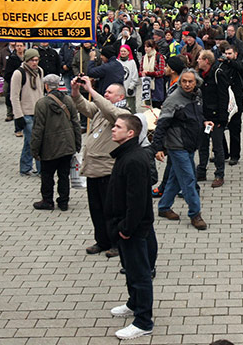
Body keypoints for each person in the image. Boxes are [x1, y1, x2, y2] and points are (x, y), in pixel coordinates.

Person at [107, 115, 156, 340]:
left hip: (134, 229)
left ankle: (143, 321)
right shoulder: (125, 155)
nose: (113, 129)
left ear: (131, 133)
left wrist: (126, 228)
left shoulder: (134, 160)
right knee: (130, 270)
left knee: (140, 274)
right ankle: (133, 303)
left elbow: (137, 201)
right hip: (125, 226)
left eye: (118, 127)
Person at [72, 76, 131, 258]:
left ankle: (115, 242)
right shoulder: (100, 110)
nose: (105, 94)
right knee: (96, 209)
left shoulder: (123, 114)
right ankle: (102, 240)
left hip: (108, 170)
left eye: (109, 92)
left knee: (111, 210)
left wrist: (92, 90)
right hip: (93, 169)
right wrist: (76, 90)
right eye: (104, 92)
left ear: (120, 97)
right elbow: (83, 106)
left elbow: (109, 109)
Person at [152, 69, 207, 231]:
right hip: (177, 145)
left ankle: (164, 207)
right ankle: (195, 214)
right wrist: (158, 147)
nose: (187, 84)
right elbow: (161, 125)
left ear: (196, 82)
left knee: (175, 178)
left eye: (190, 81)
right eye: (184, 81)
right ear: (179, 82)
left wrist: (204, 122)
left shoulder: (197, 95)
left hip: (190, 144)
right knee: (189, 179)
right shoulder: (173, 99)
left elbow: (197, 116)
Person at [30, 74, 81, 210]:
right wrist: (77, 144)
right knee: (64, 175)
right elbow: (76, 123)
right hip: (67, 145)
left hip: (49, 147)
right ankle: (63, 201)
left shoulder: (41, 104)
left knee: (47, 175)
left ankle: (47, 200)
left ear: (46, 86)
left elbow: (38, 129)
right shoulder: (68, 100)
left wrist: (34, 149)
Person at [196, 50, 229, 188]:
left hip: (216, 117)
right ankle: (201, 171)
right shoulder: (199, 75)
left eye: (199, 59)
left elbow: (223, 96)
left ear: (206, 61)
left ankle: (219, 174)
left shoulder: (217, 74)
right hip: (203, 116)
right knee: (202, 146)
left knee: (217, 147)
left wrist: (222, 119)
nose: (197, 60)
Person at [11, 48, 45, 176]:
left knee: (31, 142)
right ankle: (39, 169)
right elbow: (14, 96)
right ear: (26, 60)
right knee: (34, 141)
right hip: (26, 113)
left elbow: (41, 91)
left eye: (36, 60)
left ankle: (26, 168)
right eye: (32, 60)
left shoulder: (40, 71)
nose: (35, 63)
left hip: (39, 112)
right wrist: (18, 116)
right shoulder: (19, 73)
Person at [218, 44, 243, 166]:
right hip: (223, 100)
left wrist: (228, 61)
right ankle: (223, 152)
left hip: (236, 102)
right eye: (226, 53)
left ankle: (235, 155)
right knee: (220, 128)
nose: (227, 56)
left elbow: (240, 66)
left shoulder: (238, 64)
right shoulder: (222, 65)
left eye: (230, 54)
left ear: (235, 54)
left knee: (235, 129)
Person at [140, 40, 166, 108]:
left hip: (157, 84)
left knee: (157, 104)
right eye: (145, 46)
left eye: (148, 47)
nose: (146, 48)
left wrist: (149, 73)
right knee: (148, 105)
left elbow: (161, 72)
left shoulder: (159, 56)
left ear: (153, 47)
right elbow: (140, 70)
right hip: (146, 84)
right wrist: (142, 74)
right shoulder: (144, 57)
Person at [117, 45, 139, 113]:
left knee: (131, 108)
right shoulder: (117, 62)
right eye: (121, 51)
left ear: (128, 52)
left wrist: (131, 87)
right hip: (119, 90)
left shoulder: (132, 62)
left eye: (124, 51)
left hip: (129, 89)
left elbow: (135, 75)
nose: (123, 53)